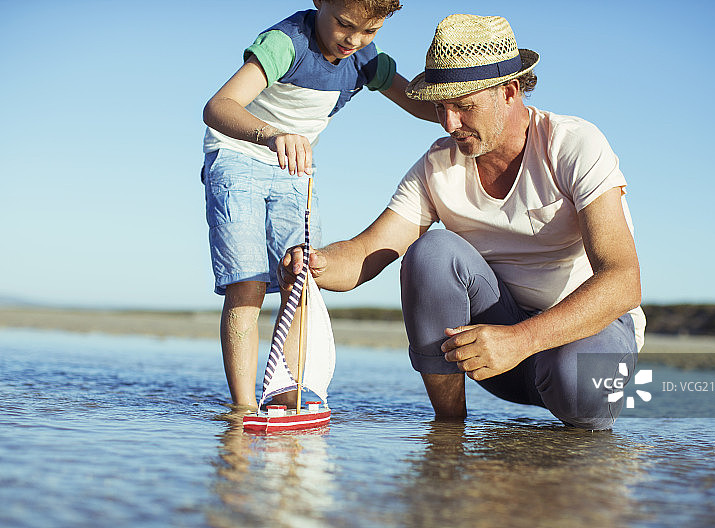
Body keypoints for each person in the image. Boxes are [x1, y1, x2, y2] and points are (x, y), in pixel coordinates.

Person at [280, 14, 646, 429]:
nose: (449, 123)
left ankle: (582, 446)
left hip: (585, 340)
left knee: (574, 381)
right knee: (432, 252)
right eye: (440, 107)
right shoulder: (438, 166)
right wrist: (318, 262)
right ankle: (448, 432)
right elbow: (367, 251)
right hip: (494, 352)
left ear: (509, 92)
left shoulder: (573, 144)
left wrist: (522, 340)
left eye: (463, 106)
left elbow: (623, 280)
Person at [201, 0, 437, 408]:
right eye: (345, 24)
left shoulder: (365, 59)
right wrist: (272, 135)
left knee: (301, 276)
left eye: (369, 31)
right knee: (248, 282)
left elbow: (419, 104)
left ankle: (286, 396)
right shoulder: (285, 43)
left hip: (294, 170)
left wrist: (474, 115)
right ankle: (242, 408)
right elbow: (217, 107)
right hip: (238, 155)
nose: (354, 40)